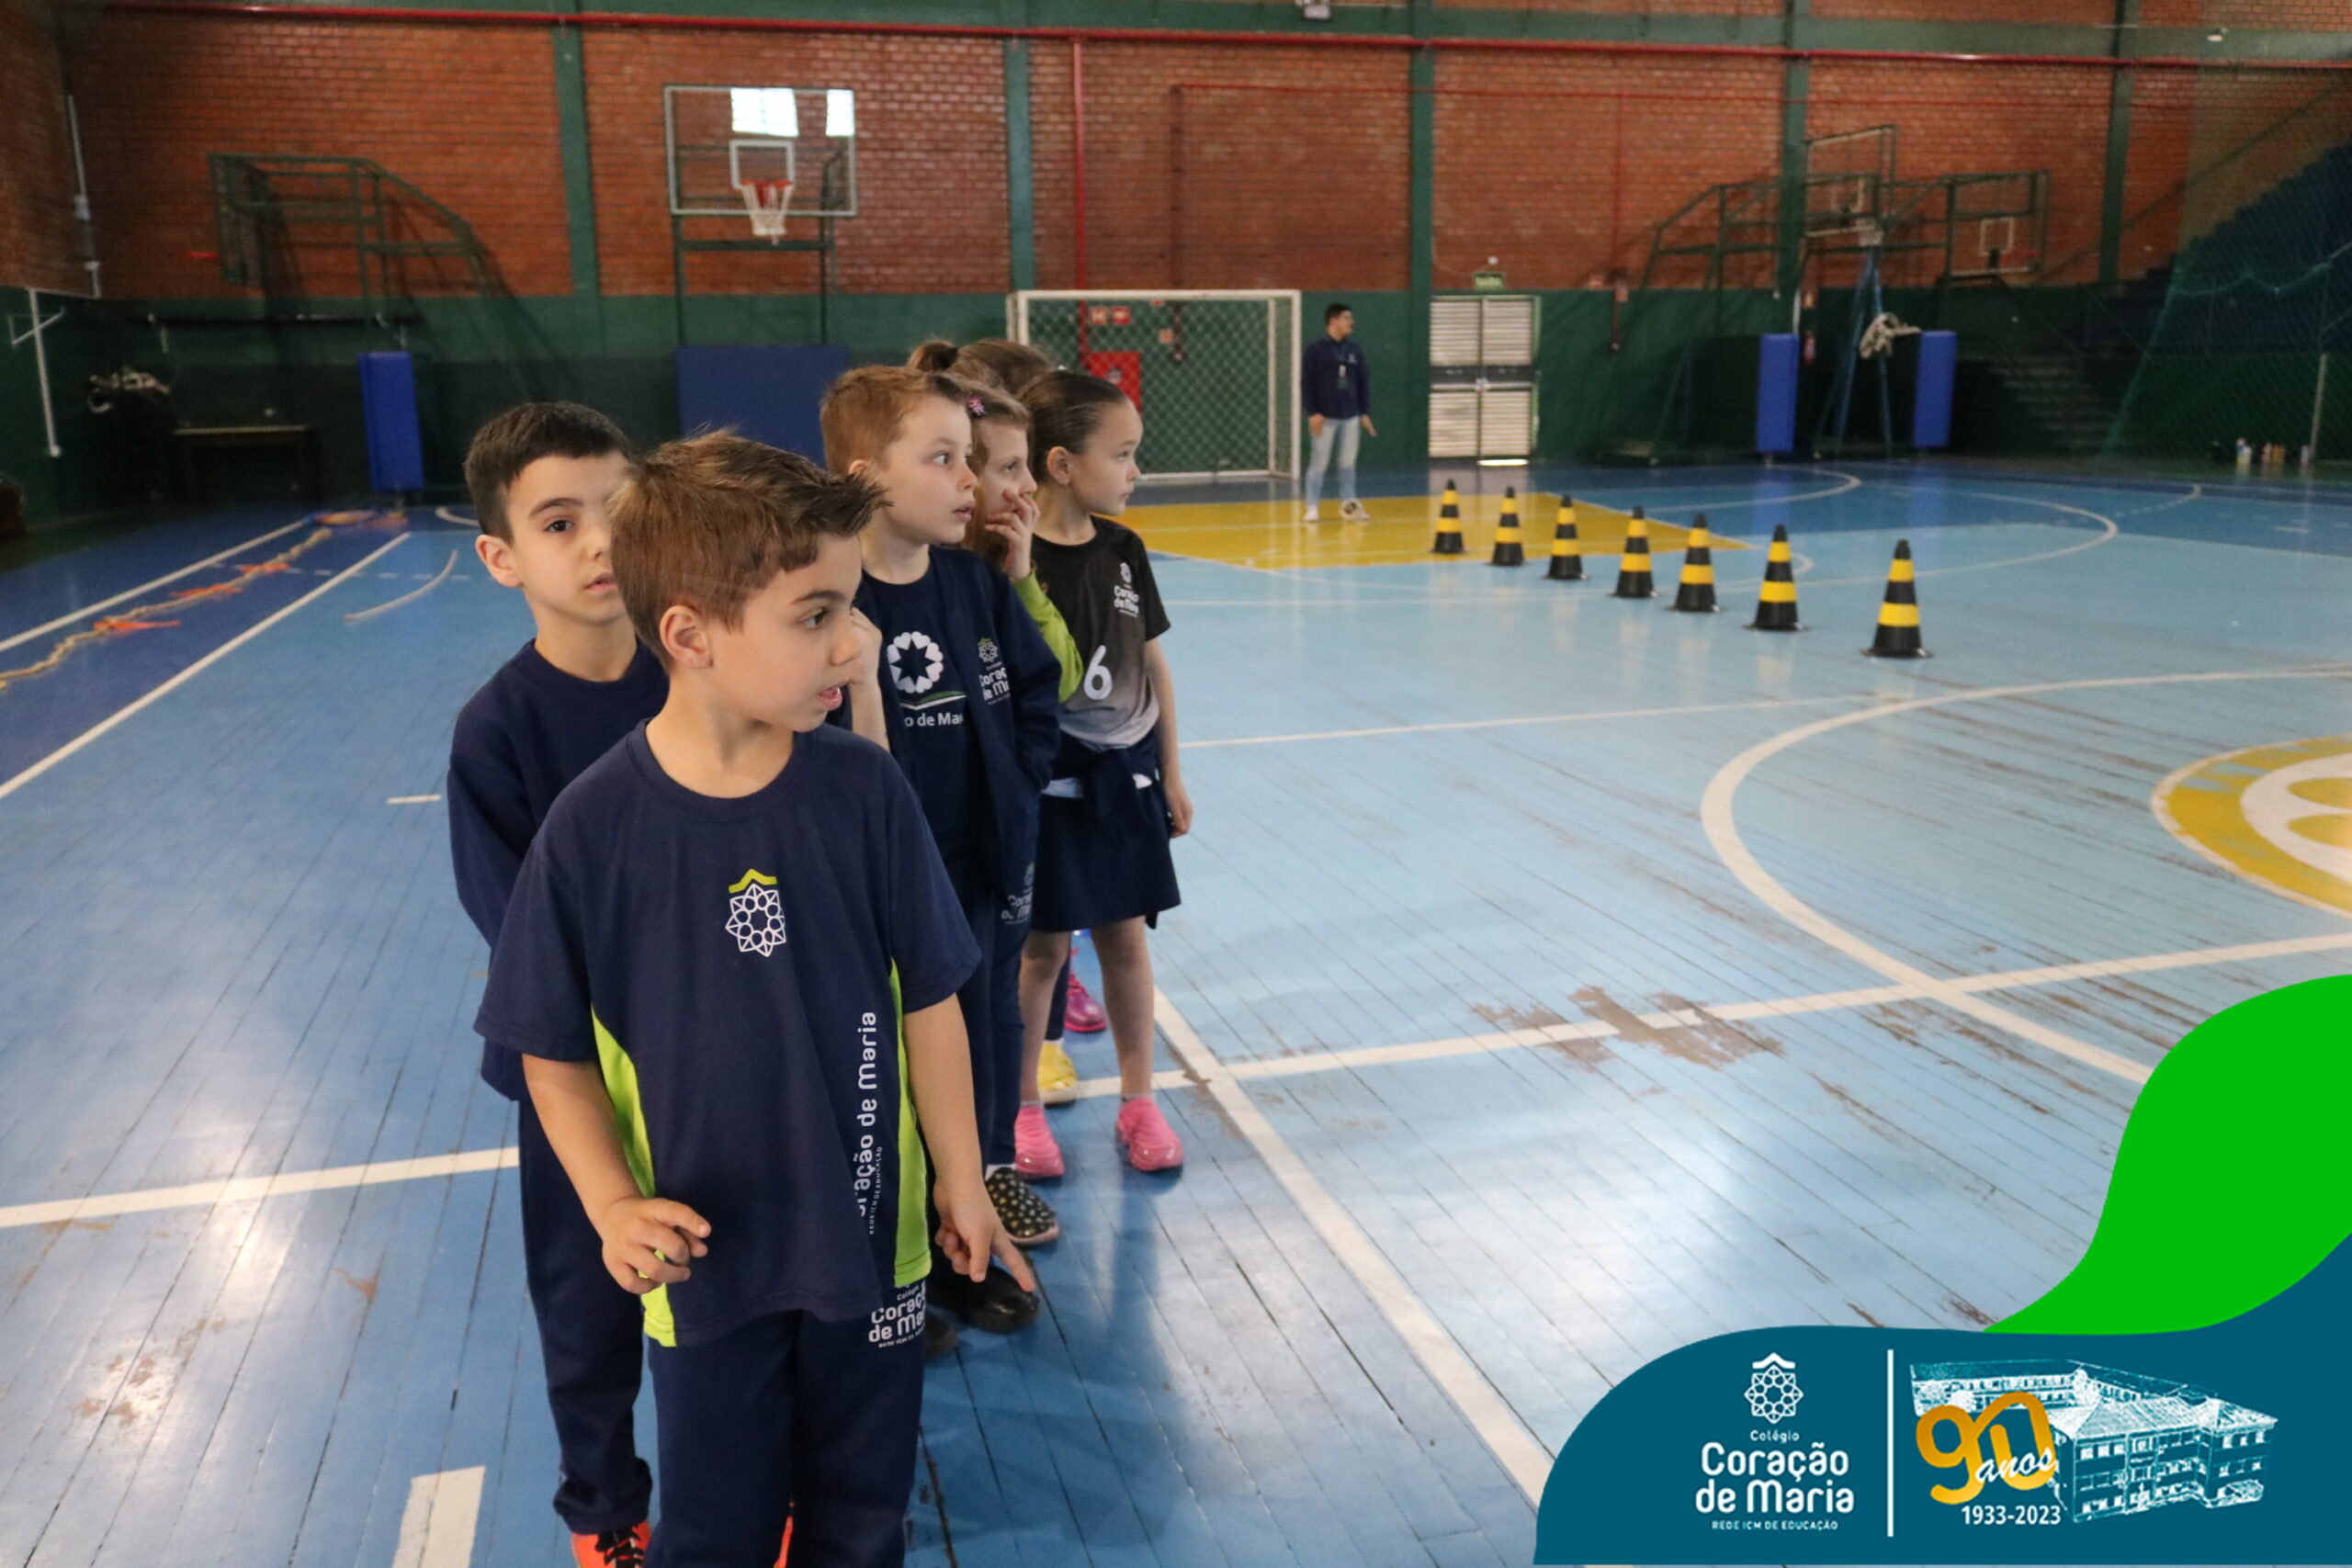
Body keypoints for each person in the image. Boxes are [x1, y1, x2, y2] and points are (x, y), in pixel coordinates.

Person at [477, 434, 1033, 1568]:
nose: (853, 641)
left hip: (876, 1240)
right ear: (690, 635)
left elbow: (932, 998)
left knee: (863, 1515)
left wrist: (962, 1175)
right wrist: (613, 1207)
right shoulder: (592, 829)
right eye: (817, 614)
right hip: (708, 1265)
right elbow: (549, 1051)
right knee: (718, 1528)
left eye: (850, 607)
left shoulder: (863, 789)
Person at [820, 366, 1067, 1295]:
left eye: (969, 459)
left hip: (985, 861)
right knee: (890, 1044)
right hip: (883, 885)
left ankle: (983, 1183)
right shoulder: (831, 605)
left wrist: (1020, 785)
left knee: (988, 1015)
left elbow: (1036, 691)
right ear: (865, 478)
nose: (970, 480)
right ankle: (902, 1232)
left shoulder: (975, 586)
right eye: (942, 459)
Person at [1013, 370, 1193, 1177]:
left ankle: (1138, 1099)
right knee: (1043, 953)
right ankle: (1022, 1108)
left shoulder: (1125, 551)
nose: (1134, 470)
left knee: (1124, 941)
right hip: (1051, 794)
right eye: (1121, 454)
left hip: (1128, 785)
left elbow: (1153, 666)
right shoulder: (1013, 562)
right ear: (1060, 463)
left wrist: (1172, 772)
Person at [1301, 301, 1375, 524]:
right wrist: (1313, 412)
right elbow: (1307, 383)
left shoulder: (1354, 350)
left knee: (1347, 463)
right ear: (1333, 321)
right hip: (1325, 417)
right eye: (1346, 318)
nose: (1351, 322)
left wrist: (1364, 412)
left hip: (1350, 416)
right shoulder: (1315, 349)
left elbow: (1362, 382)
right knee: (1319, 463)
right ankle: (1312, 506)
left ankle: (1349, 504)